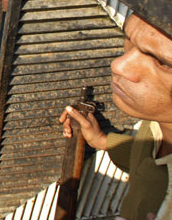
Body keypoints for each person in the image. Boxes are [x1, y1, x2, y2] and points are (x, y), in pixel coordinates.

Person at [60, 14, 172, 220]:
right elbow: (142, 158)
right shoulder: (155, 126)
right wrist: (101, 140)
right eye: (129, 39)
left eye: (163, 63)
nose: (118, 65)